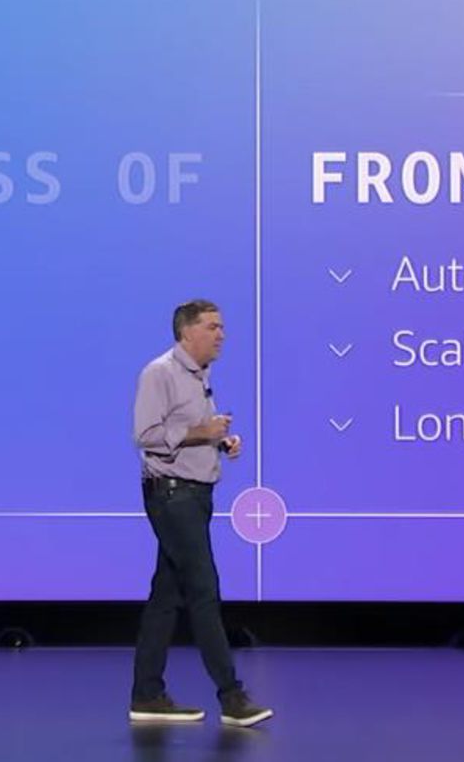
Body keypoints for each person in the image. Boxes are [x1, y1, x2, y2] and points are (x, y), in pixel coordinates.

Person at [128, 299, 273, 727]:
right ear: (186, 332)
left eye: (221, 327)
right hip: (172, 496)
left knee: (165, 598)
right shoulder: (159, 373)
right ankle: (232, 696)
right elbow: (146, 435)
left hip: (194, 496)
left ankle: (146, 695)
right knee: (204, 592)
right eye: (212, 327)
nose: (221, 335)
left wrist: (219, 441)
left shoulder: (199, 375)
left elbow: (194, 431)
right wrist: (200, 432)